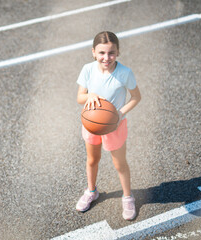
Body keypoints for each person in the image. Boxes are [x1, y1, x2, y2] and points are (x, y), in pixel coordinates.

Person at [76, 31, 141, 220]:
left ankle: (128, 197)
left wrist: (120, 114)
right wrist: (90, 96)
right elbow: (80, 97)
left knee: (119, 164)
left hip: (115, 125)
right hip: (92, 125)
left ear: (118, 52)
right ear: (93, 52)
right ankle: (91, 191)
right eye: (102, 53)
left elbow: (137, 97)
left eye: (111, 53)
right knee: (91, 160)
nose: (107, 57)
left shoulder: (124, 73)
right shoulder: (88, 70)